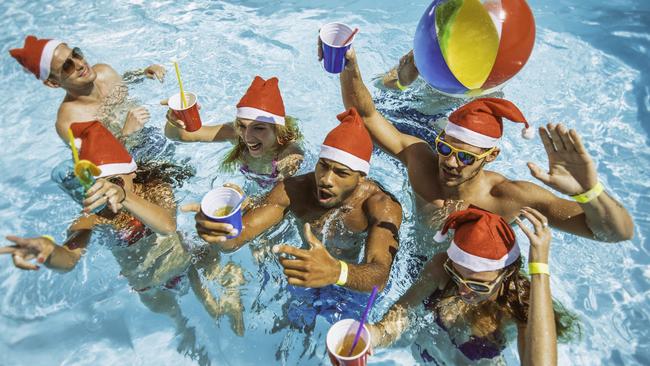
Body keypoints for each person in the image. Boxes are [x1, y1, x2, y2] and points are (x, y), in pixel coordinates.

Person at [337, 48, 634, 242]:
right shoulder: (421, 162)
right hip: (422, 261)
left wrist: (589, 190)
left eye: (466, 157)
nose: (451, 163)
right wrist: (348, 64)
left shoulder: (510, 198)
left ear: (491, 156)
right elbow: (365, 115)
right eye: (444, 149)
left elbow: (614, 233)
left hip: (477, 281)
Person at [0, 122, 245, 340]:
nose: (107, 194)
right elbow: (69, 258)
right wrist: (50, 251)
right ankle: (183, 329)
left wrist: (125, 196)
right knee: (173, 314)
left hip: (183, 260)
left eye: (114, 182)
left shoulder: (155, 190)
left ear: (133, 172)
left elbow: (167, 226)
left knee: (208, 257)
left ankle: (216, 305)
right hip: (149, 285)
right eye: (97, 188)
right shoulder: (93, 218)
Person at [185, 107, 402, 292]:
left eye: (341, 173)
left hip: (353, 281)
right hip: (305, 273)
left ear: (361, 177)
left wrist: (336, 271)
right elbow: (237, 239)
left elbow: (379, 276)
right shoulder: (294, 190)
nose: (326, 179)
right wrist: (219, 230)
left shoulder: (380, 206)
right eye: (323, 166)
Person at [368, 206, 574, 364]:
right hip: (426, 355)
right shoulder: (442, 267)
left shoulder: (519, 302)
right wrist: (373, 335)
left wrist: (539, 269)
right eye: (457, 276)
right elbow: (402, 313)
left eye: (479, 285)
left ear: (507, 274)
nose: (463, 290)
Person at [9, 35, 166, 144]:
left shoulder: (104, 72)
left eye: (76, 54)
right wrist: (126, 134)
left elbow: (123, 81)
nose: (80, 64)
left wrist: (143, 73)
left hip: (150, 137)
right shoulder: (70, 122)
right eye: (66, 66)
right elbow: (99, 166)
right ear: (53, 83)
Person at [163, 76, 304, 187]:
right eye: (242, 126)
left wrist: (249, 202)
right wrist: (175, 120)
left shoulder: (289, 155)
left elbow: (280, 198)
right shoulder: (236, 133)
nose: (247, 137)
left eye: (259, 128)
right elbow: (177, 135)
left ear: (279, 131)